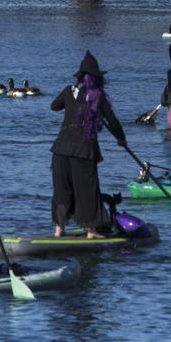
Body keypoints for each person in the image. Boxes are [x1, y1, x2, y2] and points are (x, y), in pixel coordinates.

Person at [50, 52, 127, 238]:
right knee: (87, 190)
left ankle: (59, 230)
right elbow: (113, 121)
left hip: (61, 148)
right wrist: (121, 139)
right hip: (84, 150)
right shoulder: (97, 96)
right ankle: (91, 231)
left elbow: (54, 106)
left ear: (80, 76)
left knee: (62, 189)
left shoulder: (69, 90)